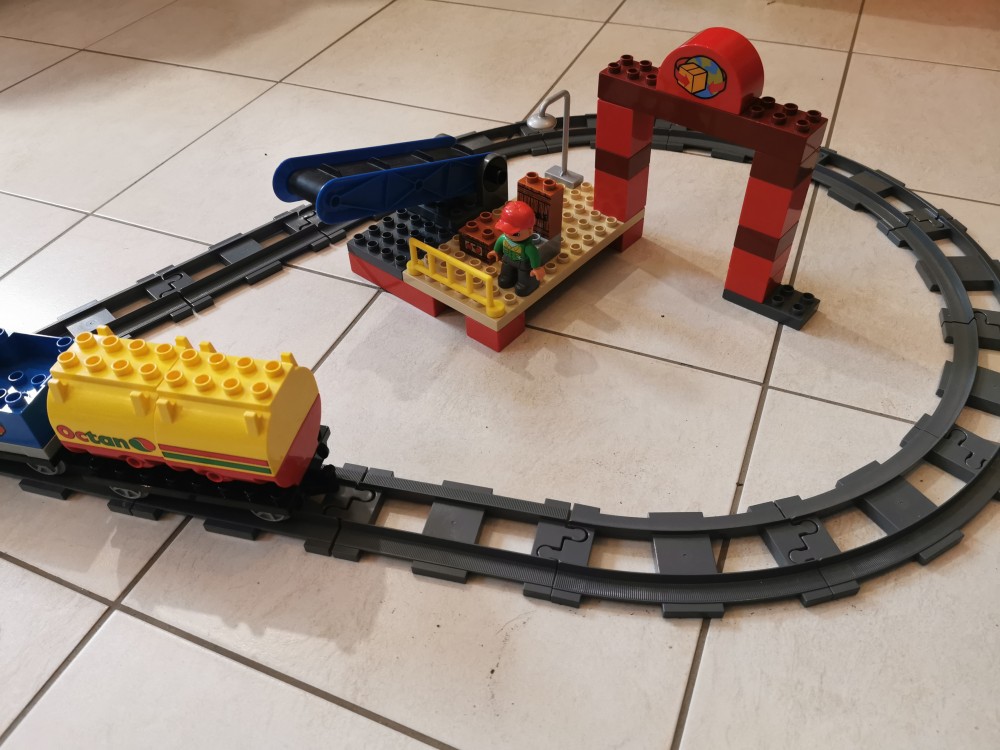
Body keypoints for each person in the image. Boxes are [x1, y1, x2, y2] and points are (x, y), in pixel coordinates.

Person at [487, 200, 546, 297]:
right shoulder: (504, 238)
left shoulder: (528, 247)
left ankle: (526, 284)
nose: (509, 235)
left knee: (524, 280)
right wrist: (496, 251)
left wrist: (536, 268)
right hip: (507, 259)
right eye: (506, 230)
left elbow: (534, 256)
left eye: (515, 234)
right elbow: (500, 242)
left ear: (530, 230)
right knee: (505, 276)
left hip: (523, 264)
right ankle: (507, 277)